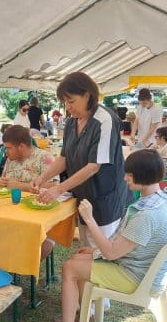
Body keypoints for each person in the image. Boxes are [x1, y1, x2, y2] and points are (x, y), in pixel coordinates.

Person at [41, 149, 167, 322]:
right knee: (80, 257)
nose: (125, 178)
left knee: (69, 268)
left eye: (129, 175)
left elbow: (112, 253)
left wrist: (90, 219)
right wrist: (94, 251)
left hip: (135, 277)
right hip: (144, 270)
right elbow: (124, 246)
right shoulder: (162, 201)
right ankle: (87, 316)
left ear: (143, 175)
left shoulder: (146, 215)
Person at [30, 72, 131, 254]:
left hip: (105, 197)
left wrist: (58, 189)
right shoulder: (70, 123)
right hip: (83, 195)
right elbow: (64, 159)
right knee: (85, 248)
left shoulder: (105, 120)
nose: (68, 107)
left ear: (87, 95)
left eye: (71, 101)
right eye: (65, 103)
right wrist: (42, 177)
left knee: (102, 253)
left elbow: (94, 166)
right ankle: (85, 282)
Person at [0, 125, 55, 258]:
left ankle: (13, 265)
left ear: (21, 146)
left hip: (37, 220)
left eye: (8, 148)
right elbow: (3, 183)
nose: (6, 151)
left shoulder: (44, 157)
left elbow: (53, 186)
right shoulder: (10, 160)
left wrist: (20, 186)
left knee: (37, 249)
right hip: (9, 216)